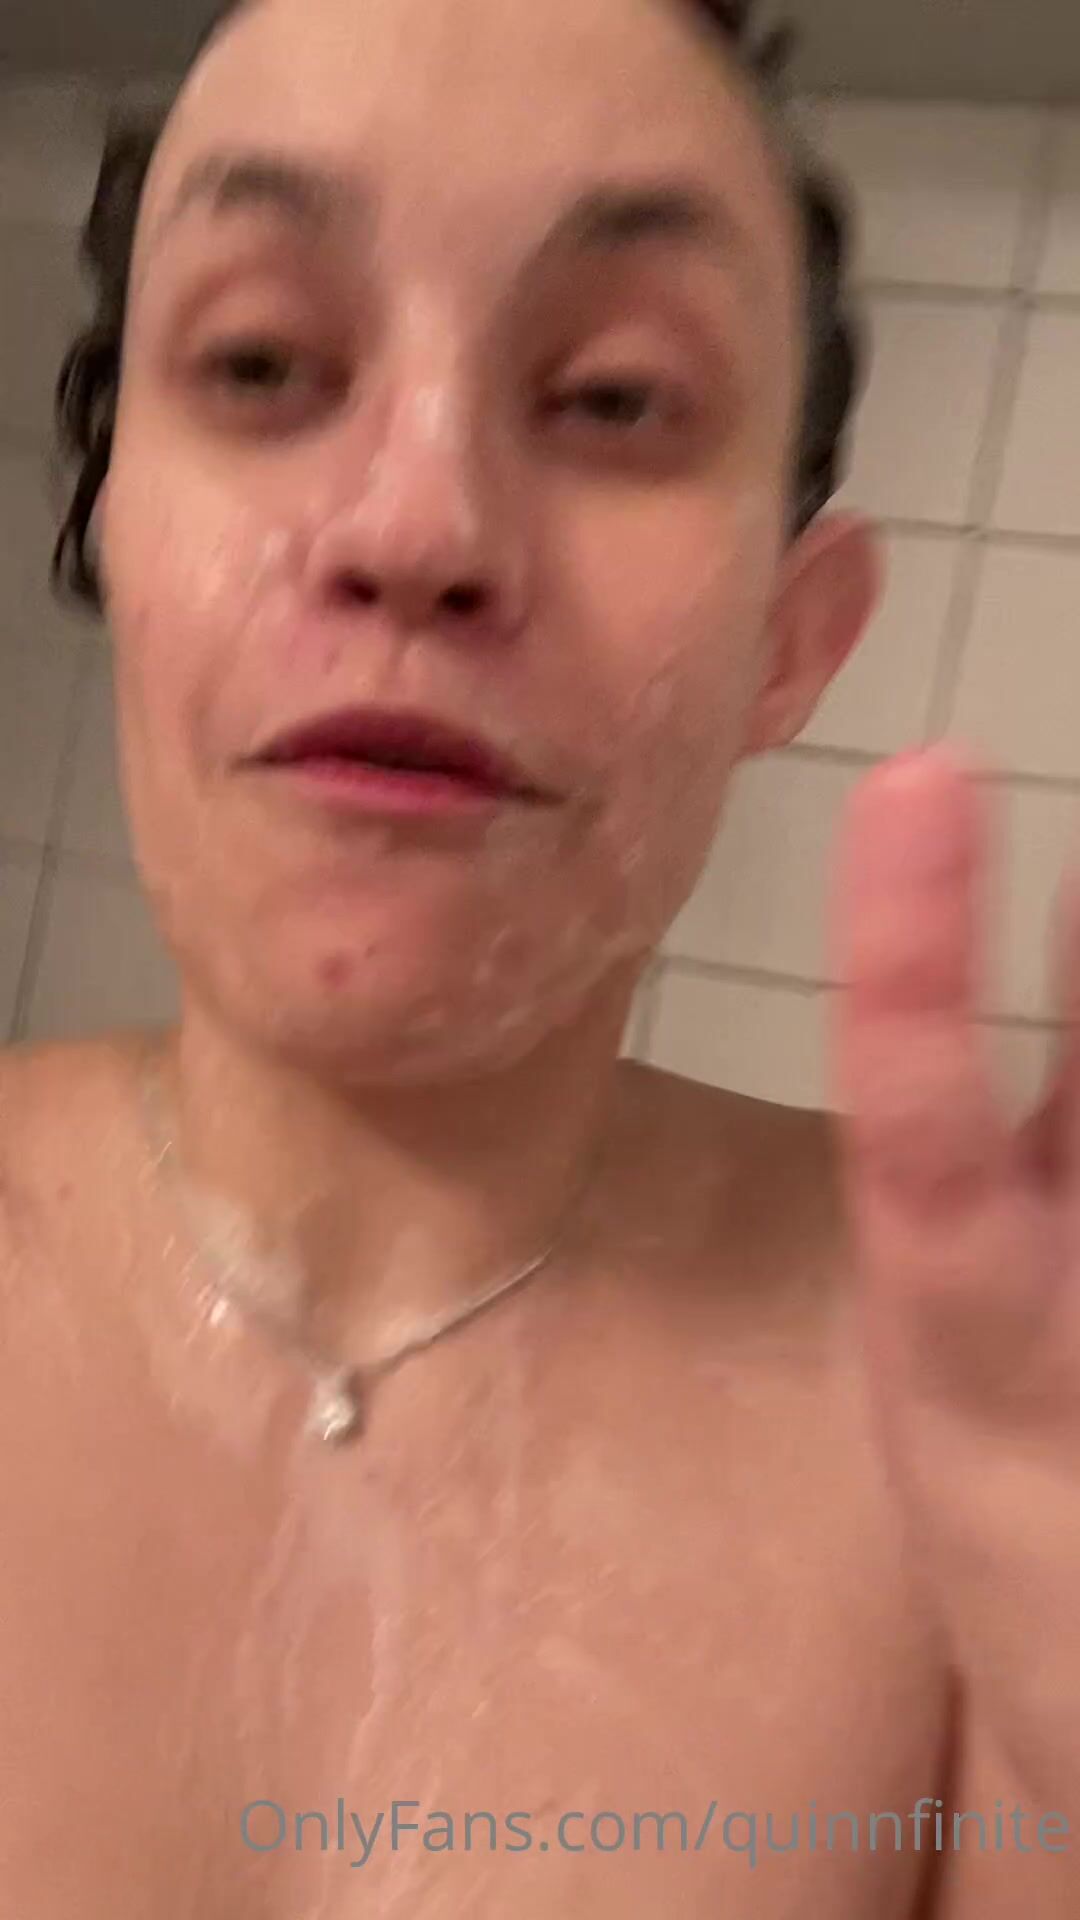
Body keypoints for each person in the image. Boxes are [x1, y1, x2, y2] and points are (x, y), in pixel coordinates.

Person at [2, 0, 1076, 1912]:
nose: (418, 526)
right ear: (115, 528)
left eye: (613, 399)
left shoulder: (988, 1427)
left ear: (791, 641)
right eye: (262, 361)